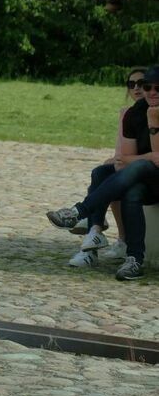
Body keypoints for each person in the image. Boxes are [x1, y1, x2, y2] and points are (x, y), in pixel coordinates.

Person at [47, 64, 159, 281]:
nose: (151, 92)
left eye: (158, 88)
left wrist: (154, 122)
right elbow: (125, 158)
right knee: (113, 179)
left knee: (141, 166)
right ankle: (132, 258)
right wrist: (148, 158)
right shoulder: (134, 113)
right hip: (146, 180)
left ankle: (78, 212)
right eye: (148, 87)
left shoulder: (151, 113)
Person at [65, 68, 146, 267]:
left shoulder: (152, 112)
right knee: (100, 172)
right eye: (131, 84)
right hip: (130, 167)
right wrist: (117, 160)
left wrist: (122, 160)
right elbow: (121, 153)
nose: (137, 88)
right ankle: (94, 232)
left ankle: (87, 217)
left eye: (142, 84)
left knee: (110, 179)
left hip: (145, 172)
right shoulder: (127, 113)